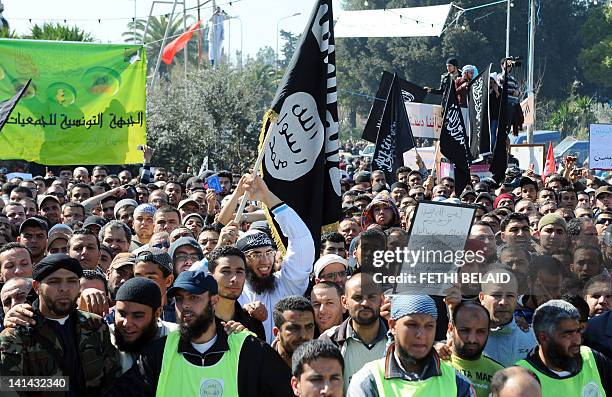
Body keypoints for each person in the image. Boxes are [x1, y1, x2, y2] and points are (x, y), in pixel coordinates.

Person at [104, 271, 293, 396]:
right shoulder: (159, 353)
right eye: (179, 299)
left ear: (214, 301)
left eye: (194, 298)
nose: (185, 305)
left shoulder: (249, 349)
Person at [0, 254, 122, 395]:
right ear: (36, 287)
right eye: (54, 281)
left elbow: (114, 378)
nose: (64, 288)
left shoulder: (95, 325)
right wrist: (59, 383)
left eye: (71, 281)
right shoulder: (16, 336)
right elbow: (7, 387)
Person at [232, 174, 314, 343]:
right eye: (255, 255)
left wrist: (267, 197)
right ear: (241, 261)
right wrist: (241, 314)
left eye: (268, 252)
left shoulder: (286, 284)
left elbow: (302, 240)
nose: (265, 261)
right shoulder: (231, 292)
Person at [347, 294, 476, 396]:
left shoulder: (458, 382)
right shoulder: (369, 381)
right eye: (412, 325)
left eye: (429, 326)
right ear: (392, 326)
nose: (421, 334)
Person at [516, 300, 612, 395]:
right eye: (568, 334)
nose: (577, 340)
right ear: (544, 338)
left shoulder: (591, 357)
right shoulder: (521, 378)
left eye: (578, 331)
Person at [319, 274, 388, 391]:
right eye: (358, 297)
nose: (365, 303)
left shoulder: (398, 340)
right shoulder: (328, 341)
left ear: (381, 300)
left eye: (371, 297)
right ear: (344, 302)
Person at [110, 277, 178, 372]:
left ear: (157, 313)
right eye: (122, 314)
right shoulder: (105, 336)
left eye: (137, 316)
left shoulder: (176, 339)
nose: (127, 323)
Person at [479, 269, 537, 367]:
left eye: (510, 296)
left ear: (516, 298)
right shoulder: (467, 337)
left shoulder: (533, 338)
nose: (503, 302)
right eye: (496, 295)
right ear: (482, 298)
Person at [446, 301, 504, 397]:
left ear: (488, 332)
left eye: (480, 332)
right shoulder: (436, 366)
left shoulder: (500, 374)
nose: (472, 339)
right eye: (465, 330)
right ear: (451, 329)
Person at [208, 245, 266, 340]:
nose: (234, 279)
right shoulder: (198, 321)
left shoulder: (253, 323)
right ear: (211, 277)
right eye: (226, 271)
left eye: (239, 272)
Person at [272, 295, 316, 368]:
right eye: (294, 328)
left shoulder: (322, 366)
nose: (303, 335)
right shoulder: (259, 366)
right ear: (277, 333)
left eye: (309, 327)